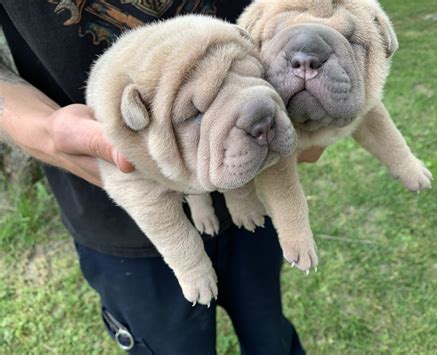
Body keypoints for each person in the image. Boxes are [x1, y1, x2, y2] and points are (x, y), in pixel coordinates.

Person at [0, 1, 324, 354]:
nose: (258, 121)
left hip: (249, 197)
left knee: (269, 333)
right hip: (117, 224)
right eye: (197, 112)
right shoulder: (128, 116)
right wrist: (42, 130)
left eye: (252, 77)